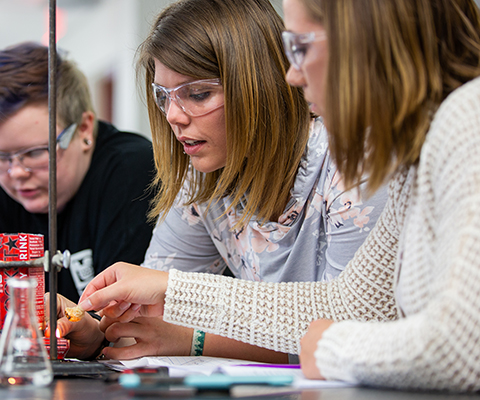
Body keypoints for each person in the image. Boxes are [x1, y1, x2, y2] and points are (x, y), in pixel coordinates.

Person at [75, 0, 480, 392]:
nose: (292, 75)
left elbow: (455, 349)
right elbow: (351, 305)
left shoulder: (463, 118)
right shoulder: (420, 151)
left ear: (365, 42)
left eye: (301, 47)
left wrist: (328, 347)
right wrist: (107, 323)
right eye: (165, 97)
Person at [52, 0, 386, 363]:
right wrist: (95, 333)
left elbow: (349, 336)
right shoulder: (205, 182)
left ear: (261, 85)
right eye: (163, 97)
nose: (174, 117)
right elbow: (147, 326)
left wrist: (189, 331)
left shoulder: (357, 163)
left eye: (198, 94)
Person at [0, 41, 156, 359]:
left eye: (35, 153)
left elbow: (129, 330)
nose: (16, 172)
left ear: (84, 129)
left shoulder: (132, 170)